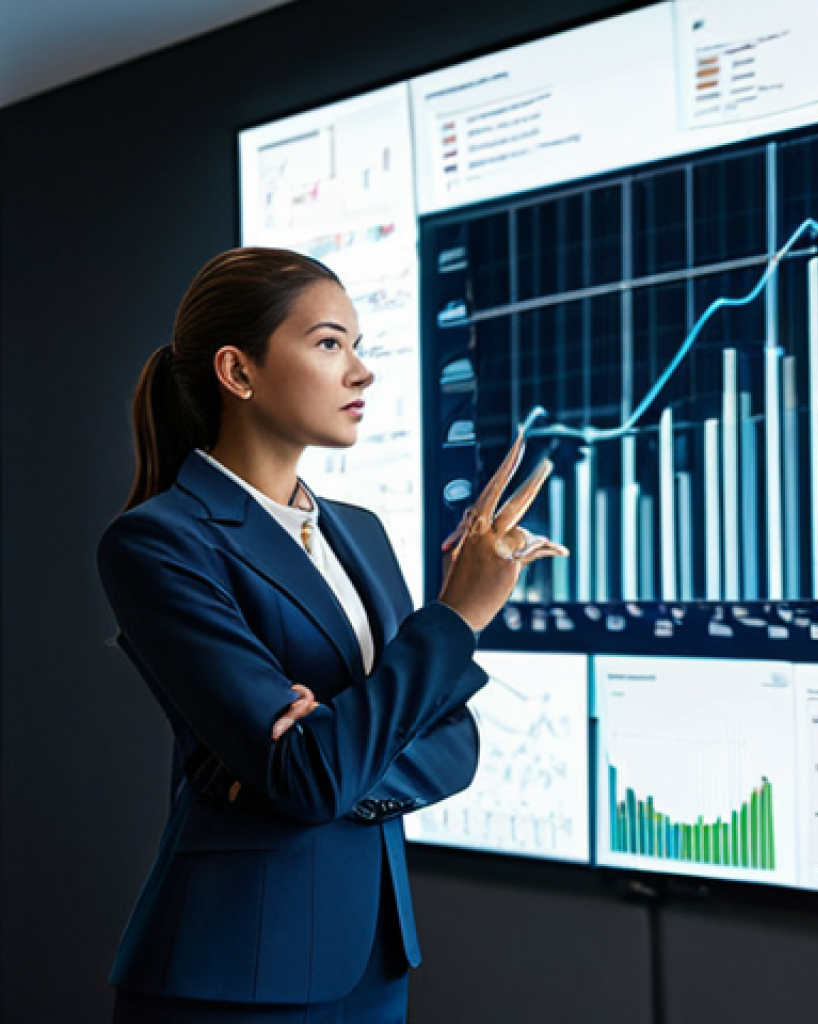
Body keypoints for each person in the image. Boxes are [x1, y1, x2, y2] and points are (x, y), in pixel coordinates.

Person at [98, 247, 566, 1023]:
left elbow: (453, 747)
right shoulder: (158, 542)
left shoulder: (361, 533)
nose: (361, 372)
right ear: (237, 372)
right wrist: (455, 617)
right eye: (327, 343)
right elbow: (315, 773)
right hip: (234, 970)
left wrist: (321, 760)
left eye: (358, 345)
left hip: (375, 963)